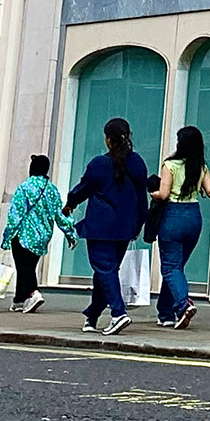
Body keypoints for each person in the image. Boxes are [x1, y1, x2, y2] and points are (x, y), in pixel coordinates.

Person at [63, 118, 148, 336]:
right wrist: (139, 224)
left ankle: (118, 313)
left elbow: (83, 189)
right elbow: (141, 198)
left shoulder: (100, 163)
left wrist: (70, 204)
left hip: (101, 227)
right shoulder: (137, 162)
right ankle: (92, 315)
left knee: (105, 270)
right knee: (105, 272)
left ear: (108, 139)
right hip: (125, 227)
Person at [152, 126, 210, 329]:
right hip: (193, 217)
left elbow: (163, 195)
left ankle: (183, 305)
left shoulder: (170, 165)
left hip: (173, 216)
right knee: (176, 267)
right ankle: (165, 313)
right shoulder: (201, 166)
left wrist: (152, 192)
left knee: (171, 266)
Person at [0, 154, 77, 314]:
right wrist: (70, 233)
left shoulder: (25, 187)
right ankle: (19, 300)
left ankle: (34, 293)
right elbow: (59, 215)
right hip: (43, 236)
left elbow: (15, 214)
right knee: (29, 266)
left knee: (23, 267)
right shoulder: (52, 189)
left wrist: (7, 235)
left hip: (24, 234)